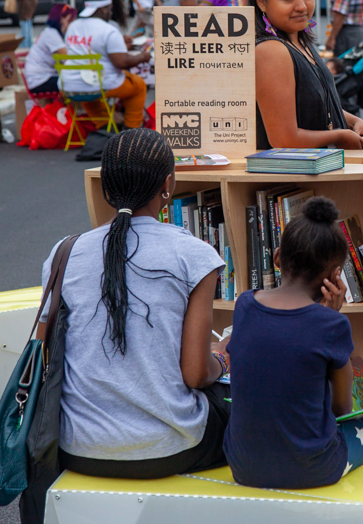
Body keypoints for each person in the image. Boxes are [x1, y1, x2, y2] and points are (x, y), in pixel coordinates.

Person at [39, 128, 230, 480]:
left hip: (76, 447)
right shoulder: (196, 255)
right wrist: (222, 358)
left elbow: (49, 348)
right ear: (168, 184)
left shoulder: (63, 252)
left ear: (106, 185)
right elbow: (195, 373)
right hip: (171, 447)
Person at [225, 196, 363, 489]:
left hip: (243, 465)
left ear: (277, 258)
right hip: (312, 468)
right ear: (336, 276)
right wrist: (329, 315)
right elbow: (341, 409)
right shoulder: (332, 325)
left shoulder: (245, 305)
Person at [245, 0, 363, 150]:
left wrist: (353, 121)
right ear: (261, 1)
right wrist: (339, 136)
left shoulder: (300, 42)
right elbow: (284, 139)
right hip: (295, 177)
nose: (302, 6)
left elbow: (315, 105)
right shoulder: (271, 51)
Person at [61, 0, 151, 130]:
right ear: (103, 10)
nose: (110, 13)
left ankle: (103, 128)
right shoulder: (108, 30)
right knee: (138, 85)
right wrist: (143, 57)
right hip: (99, 85)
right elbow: (122, 63)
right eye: (109, 9)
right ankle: (131, 129)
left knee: (88, 92)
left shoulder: (73, 27)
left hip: (69, 85)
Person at [22, 3, 76, 96]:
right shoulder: (52, 35)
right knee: (76, 84)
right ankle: (71, 110)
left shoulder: (52, 33)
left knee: (74, 82)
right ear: (61, 20)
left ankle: (68, 109)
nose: (72, 25)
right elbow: (69, 57)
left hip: (43, 77)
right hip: (40, 81)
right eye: (70, 21)